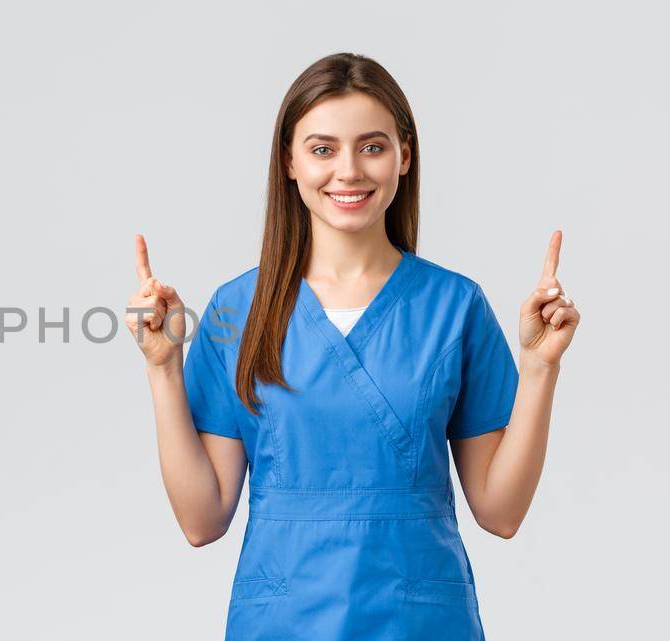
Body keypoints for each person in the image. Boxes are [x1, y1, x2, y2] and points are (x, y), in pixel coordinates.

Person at [125, 52, 578, 640]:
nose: (349, 171)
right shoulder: (238, 311)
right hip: (283, 621)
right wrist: (163, 368)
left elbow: (502, 511)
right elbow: (200, 519)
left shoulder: (454, 307)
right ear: (289, 162)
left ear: (404, 156)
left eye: (372, 146)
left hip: (418, 621)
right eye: (322, 149)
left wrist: (540, 369)